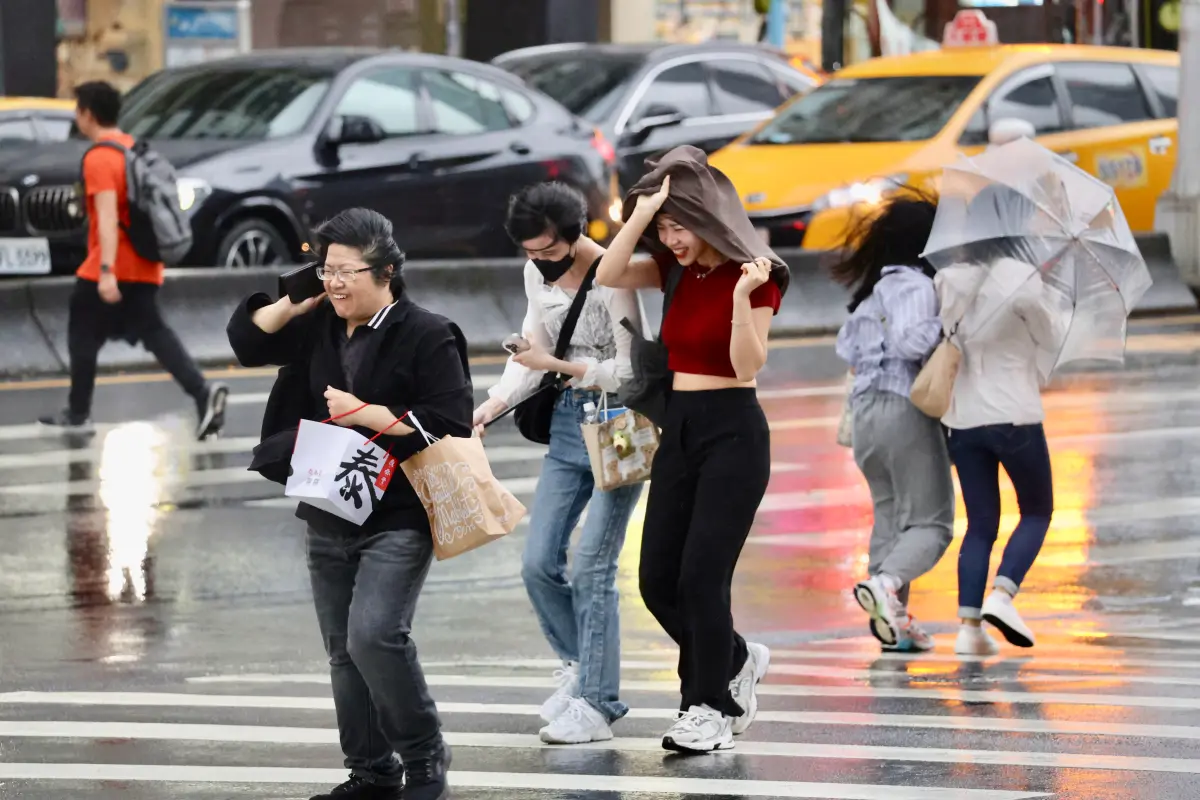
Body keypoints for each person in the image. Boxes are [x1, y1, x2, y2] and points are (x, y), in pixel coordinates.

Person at [227, 208, 471, 800]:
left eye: (345, 271)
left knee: (375, 635)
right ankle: (370, 771)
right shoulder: (320, 324)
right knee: (341, 650)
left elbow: (450, 421)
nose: (334, 282)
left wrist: (370, 417)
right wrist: (296, 298)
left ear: (386, 271)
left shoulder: (428, 332)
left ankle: (423, 754)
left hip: (399, 511)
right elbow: (247, 341)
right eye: (326, 269)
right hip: (329, 505)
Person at [595, 146, 788, 754]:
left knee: (703, 578)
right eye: (664, 228)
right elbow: (606, 274)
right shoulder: (671, 268)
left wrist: (739, 300)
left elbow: (746, 364)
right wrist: (641, 212)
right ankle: (735, 657)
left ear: (708, 219)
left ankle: (705, 707)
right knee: (656, 580)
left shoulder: (757, 274)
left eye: (680, 226)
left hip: (734, 430)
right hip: (678, 426)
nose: (671, 239)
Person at [472, 183, 647, 745]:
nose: (541, 265)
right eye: (530, 253)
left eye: (550, 252)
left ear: (577, 235)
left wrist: (559, 364)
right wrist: (495, 402)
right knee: (538, 561)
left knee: (592, 564)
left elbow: (629, 371)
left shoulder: (612, 273)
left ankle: (598, 703)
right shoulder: (535, 272)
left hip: (622, 424)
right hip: (571, 421)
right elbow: (533, 349)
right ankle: (580, 669)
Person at [39, 81, 227, 440]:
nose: (77, 116)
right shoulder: (134, 149)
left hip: (109, 267)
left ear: (88, 114)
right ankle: (203, 394)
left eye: (78, 109)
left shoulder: (99, 158)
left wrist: (107, 272)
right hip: (145, 264)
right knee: (154, 334)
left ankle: (78, 413)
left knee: (82, 332)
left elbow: (107, 219)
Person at [936, 188, 1065, 657]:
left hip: (963, 418)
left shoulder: (949, 276)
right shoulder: (1021, 276)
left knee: (980, 524)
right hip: (1014, 413)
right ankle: (1003, 595)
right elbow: (1048, 337)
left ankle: (969, 630)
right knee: (1036, 511)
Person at [831, 193, 954, 653]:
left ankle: (894, 623)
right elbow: (910, 341)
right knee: (932, 523)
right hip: (903, 410)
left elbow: (848, 352)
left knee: (889, 518)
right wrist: (949, 323)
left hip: (865, 417)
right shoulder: (916, 287)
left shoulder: (868, 296)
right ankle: (886, 587)